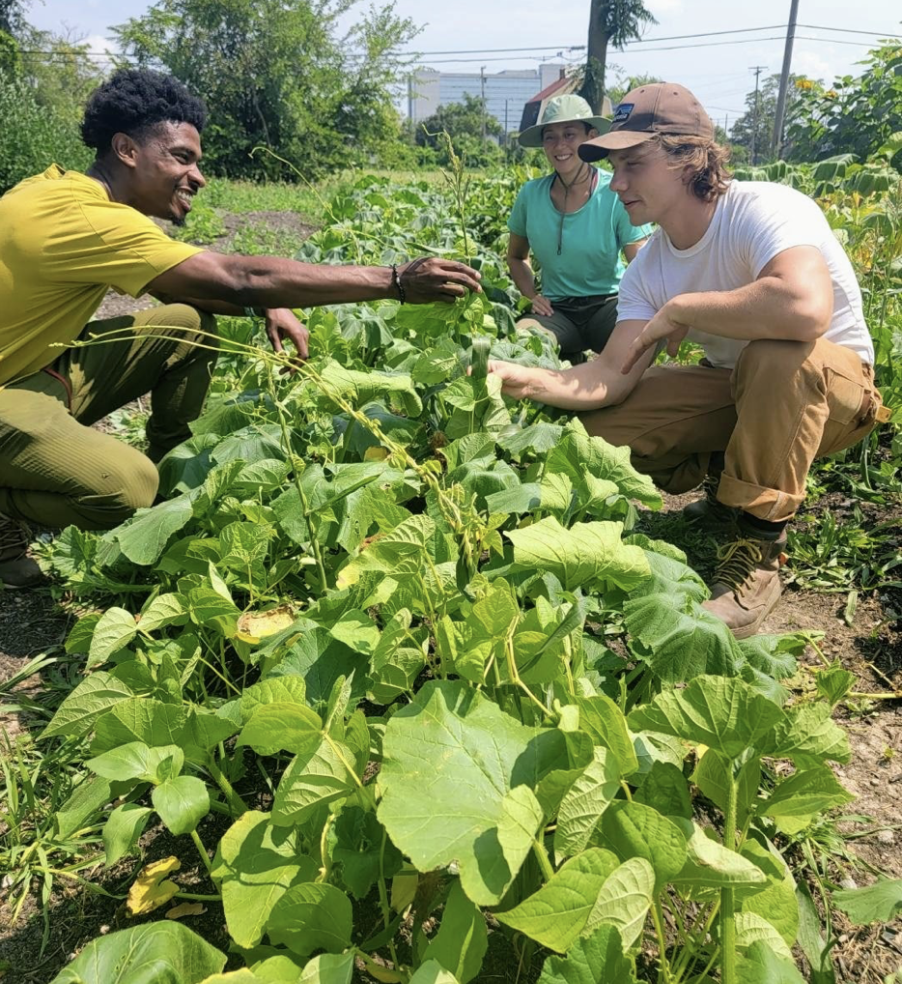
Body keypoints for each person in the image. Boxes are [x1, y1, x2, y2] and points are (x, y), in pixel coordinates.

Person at [0, 68, 481, 587]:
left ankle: (169, 492)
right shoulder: (91, 218)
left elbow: (176, 286)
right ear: (127, 149)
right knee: (125, 486)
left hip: (25, 373)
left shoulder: (57, 192)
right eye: (181, 157)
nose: (198, 176)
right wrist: (395, 280)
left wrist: (264, 303)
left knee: (184, 326)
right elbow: (236, 277)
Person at [488, 82, 887, 637]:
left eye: (634, 163)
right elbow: (610, 374)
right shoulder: (650, 264)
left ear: (689, 157)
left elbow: (803, 309)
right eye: (613, 166)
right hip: (734, 387)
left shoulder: (762, 208)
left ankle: (760, 546)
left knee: (777, 357)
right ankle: (730, 484)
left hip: (832, 393)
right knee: (602, 431)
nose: (618, 182)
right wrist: (520, 378)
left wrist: (685, 308)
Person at [507, 94, 651, 363]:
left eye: (570, 134)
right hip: (555, 310)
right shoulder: (530, 195)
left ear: (591, 136)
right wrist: (532, 296)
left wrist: (647, 305)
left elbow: (641, 259)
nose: (560, 145)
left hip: (608, 306)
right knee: (520, 346)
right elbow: (516, 256)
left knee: (641, 341)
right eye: (550, 136)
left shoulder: (614, 191)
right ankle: (568, 356)